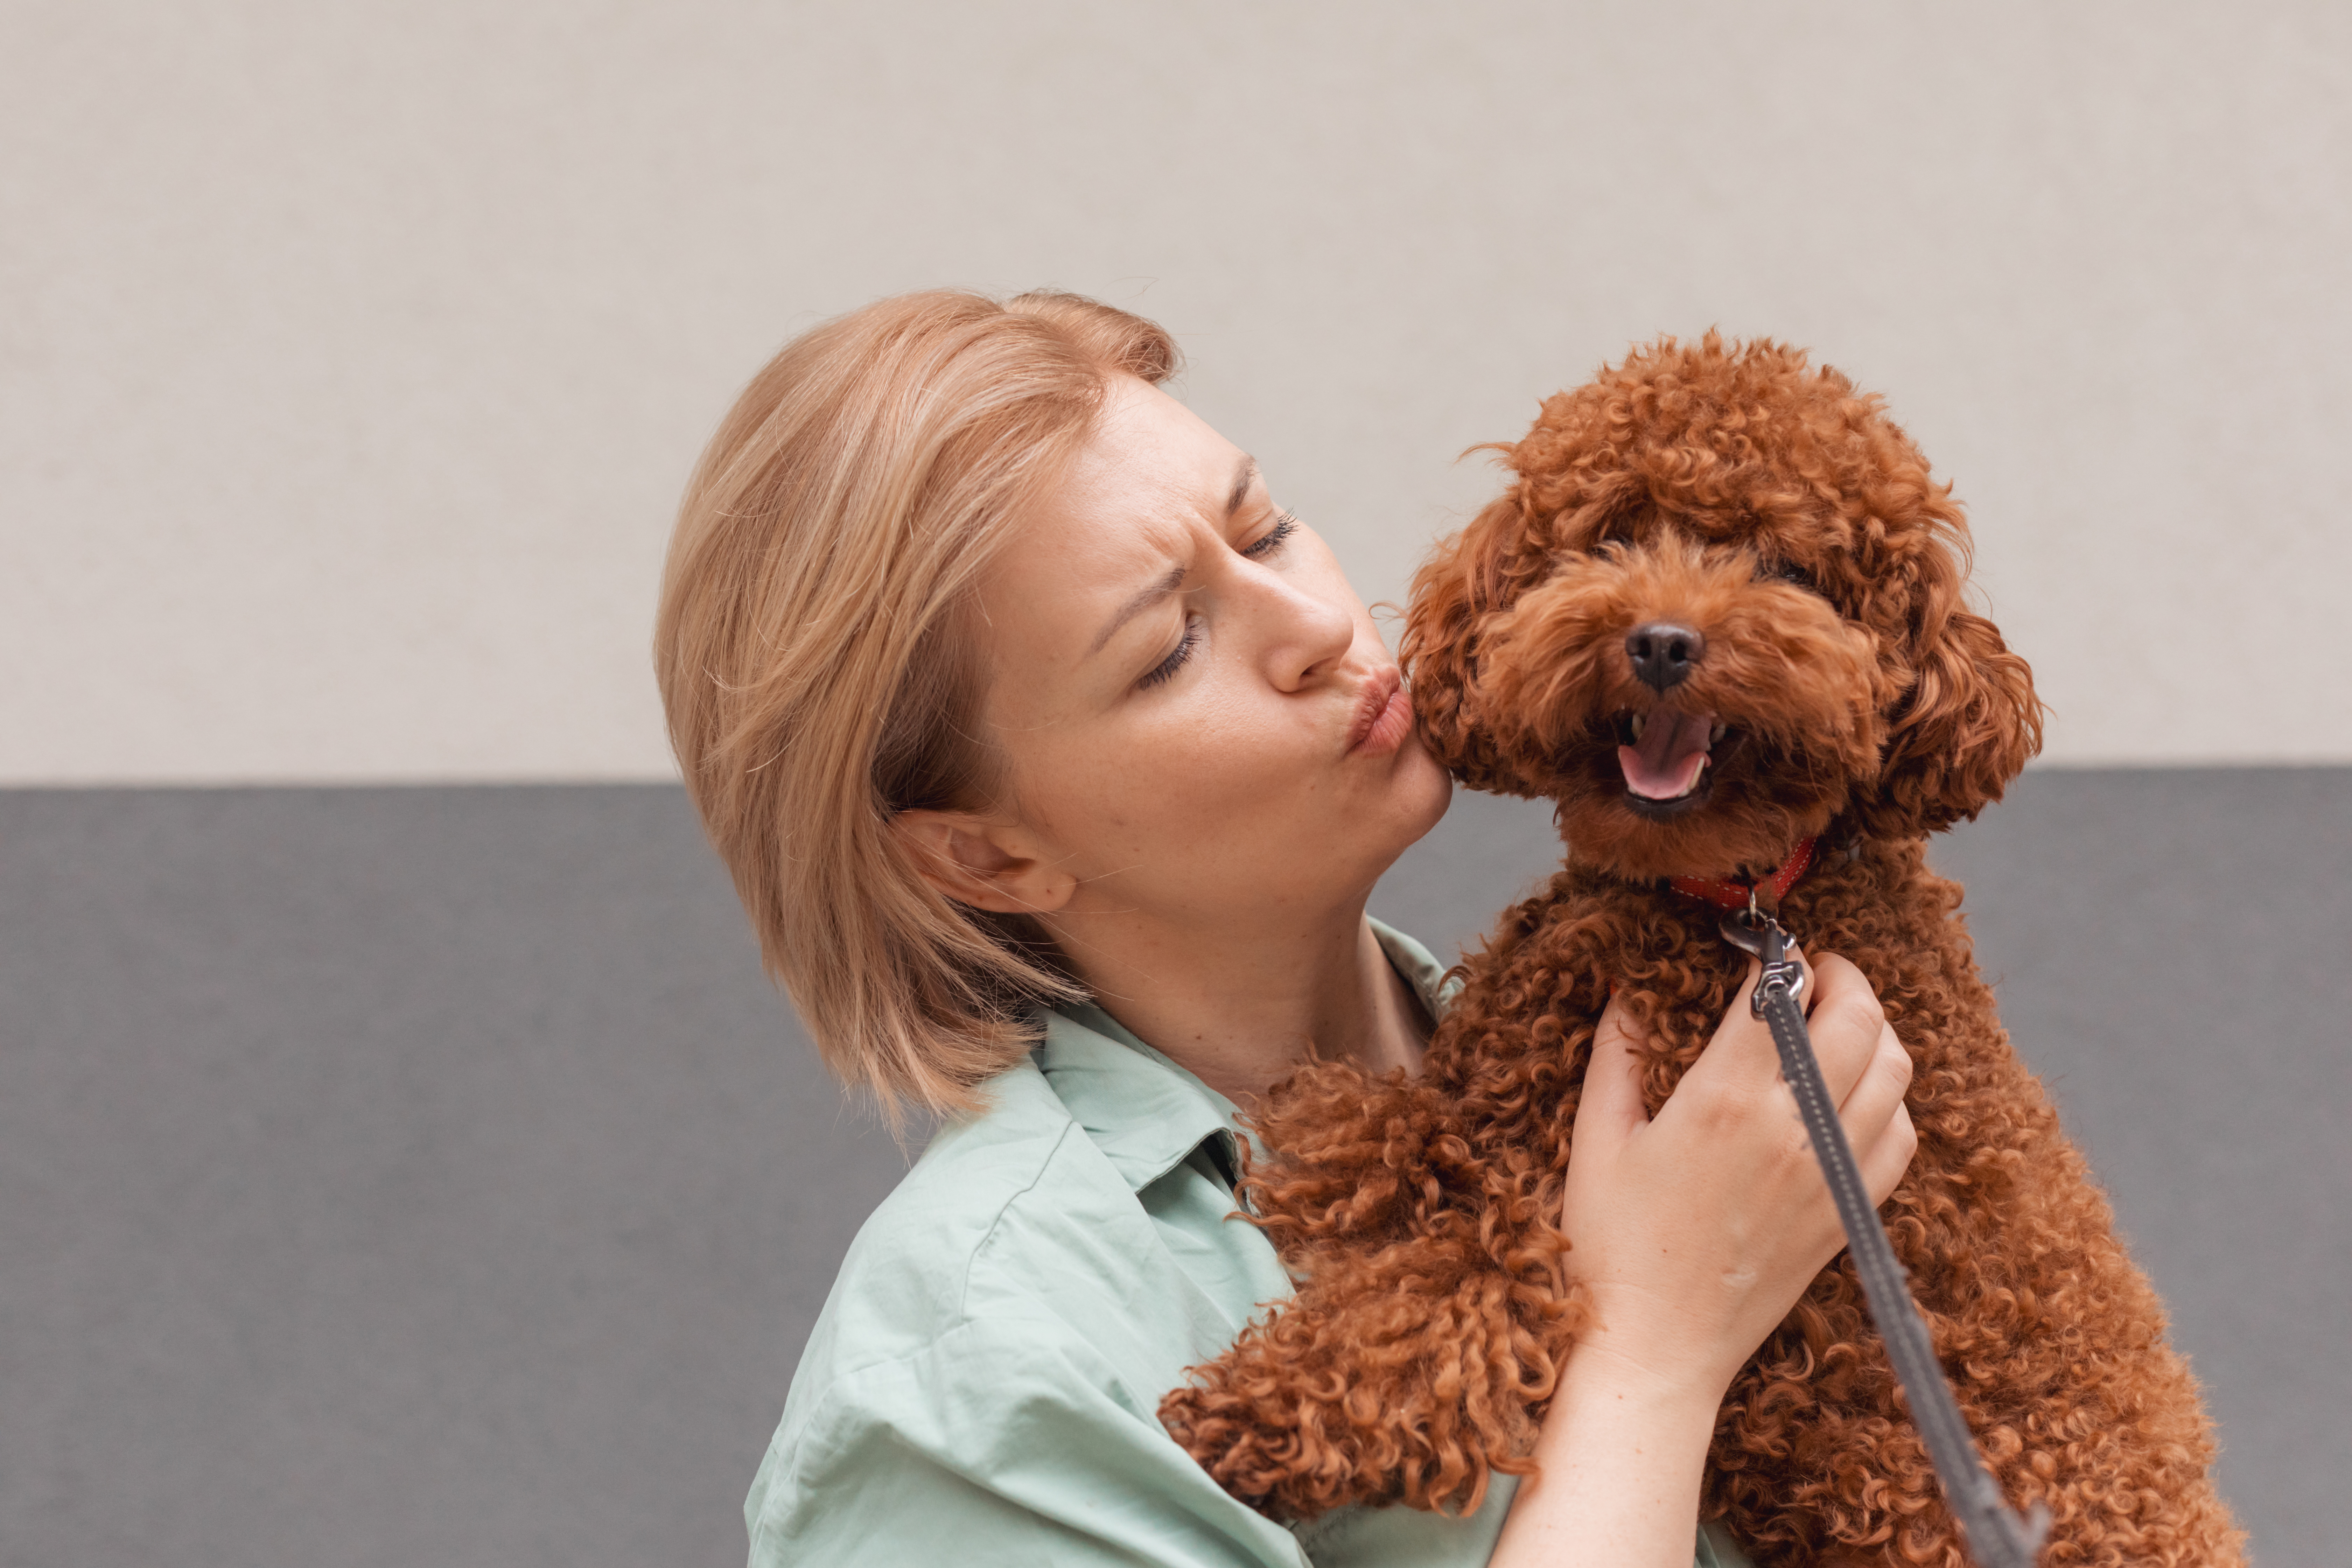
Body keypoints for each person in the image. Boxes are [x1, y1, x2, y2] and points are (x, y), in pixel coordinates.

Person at [654, 290, 1919, 1567]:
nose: (1319, 627)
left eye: (1268, 529)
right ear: (987, 851)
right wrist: (1653, 1355)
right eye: (1170, 648)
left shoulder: (1654, 1073)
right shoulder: (980, 1374)